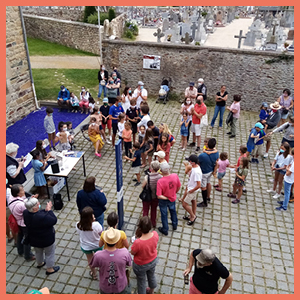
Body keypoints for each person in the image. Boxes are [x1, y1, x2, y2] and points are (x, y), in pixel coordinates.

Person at [89, 227, 132, 294]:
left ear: (105, 240)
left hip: (105, 286)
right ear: (117, 240)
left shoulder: (98, 255)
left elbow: (93, 265)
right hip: (120, 285)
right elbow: (129, 264)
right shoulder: (125, 253)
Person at [23, 197, 59, 275]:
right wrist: (49, 210)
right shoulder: (42, 217)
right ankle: (50, 269)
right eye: (37, 203)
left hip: (34, 238)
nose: (39, 203)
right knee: (49, 253)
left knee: (38, 251)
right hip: (46, 239)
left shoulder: (26, 212)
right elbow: (53, 220)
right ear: (35, 207)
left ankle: (40, 263)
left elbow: (38, 213)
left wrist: (45, 211)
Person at [7, 184, 36, 261]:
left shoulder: (11, 197)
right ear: (18, 193)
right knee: (27, 239)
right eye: (22, 190)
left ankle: (20, 251)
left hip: (17, 221)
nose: (24, 191)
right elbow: (29, 211)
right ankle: (28, 255)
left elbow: (23, 199)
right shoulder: (21, 205)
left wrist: (29, 199)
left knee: (20, 235)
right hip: (24, 223)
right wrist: (32, 202)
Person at [131, 216, 159, 294]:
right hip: (153, 260)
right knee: (151, 275)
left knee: (141, 281)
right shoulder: (155, 234)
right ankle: (151, 290)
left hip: (140, 265)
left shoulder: (138, 242)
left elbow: (133, 252)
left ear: (140, 227)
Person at [76, 206, 103, 280]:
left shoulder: (78, 225)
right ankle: (102, 271)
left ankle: (94, 274)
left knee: (90, 260)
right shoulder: (96, 225)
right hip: (97, 245)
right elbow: (102, 235)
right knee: (101, 259)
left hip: (86, 246)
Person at [156, 163, 181, 235]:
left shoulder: (160, 181)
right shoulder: (175, 176)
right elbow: (179, 186)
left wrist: (166, 197)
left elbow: (159, 195)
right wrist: (174, 193)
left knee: (164, 214)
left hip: (164, 200)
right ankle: (175, 224)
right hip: (172, 198)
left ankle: (165, 229)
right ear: (169, 169)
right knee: (173, 211)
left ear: (161, 171)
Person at [179, 154, 202, 225]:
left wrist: (191, 190)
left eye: (190, 161)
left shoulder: (196, 172)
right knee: (193, 201)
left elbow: (199, 185)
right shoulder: (194, 168)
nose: (189, 162)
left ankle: (193, 216)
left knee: (184, 204)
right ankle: (192, 214)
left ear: (193, 163)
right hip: (191, 187)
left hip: (192, 190)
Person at [197, 138, 219, 208]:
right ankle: (208, 197)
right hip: (211, 170)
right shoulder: (216, 152)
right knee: (208, 182)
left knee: (203, 187)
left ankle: (204, 202)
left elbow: (198, 162)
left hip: (204, 172)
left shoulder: (202, 155)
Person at [141, 161, 162, 228]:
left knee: (145, 209)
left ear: (151, 168)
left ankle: (144, 223)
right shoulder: (160, 177)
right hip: (156, 196)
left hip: (148, 196)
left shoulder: (147, 177)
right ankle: (153, 222)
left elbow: (143, 186)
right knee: (154, 209)